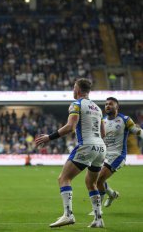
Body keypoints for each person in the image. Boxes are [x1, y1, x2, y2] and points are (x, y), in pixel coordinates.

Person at [35, 78, 106, 228]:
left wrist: (49, 137)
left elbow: (70, 127)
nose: (73, 90)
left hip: (86, 145)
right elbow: (103, 133)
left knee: (63, 178)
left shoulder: (76, 104)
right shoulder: (98, 108)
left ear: (78, 90)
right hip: (101, 147)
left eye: (74, 87)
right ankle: (98, 219)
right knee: (91, 183)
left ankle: (68, 215)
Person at [88, 97, 143, 215]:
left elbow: (137, 131)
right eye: (106, 104)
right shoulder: (102, 120)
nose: (107, 106)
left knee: (98, 180)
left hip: (118, 155)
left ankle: (97, 209)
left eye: (111, 104)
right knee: (97, 180)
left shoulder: (125, 119)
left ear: (117, 107)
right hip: (103, 155)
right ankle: (112, 194)